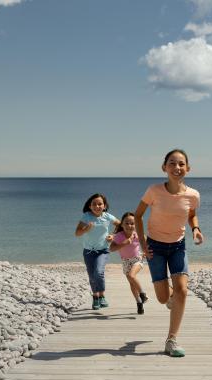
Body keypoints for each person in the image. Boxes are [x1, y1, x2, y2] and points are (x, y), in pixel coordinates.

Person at [134, 149, 204, 357]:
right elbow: (138, 216)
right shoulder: (154, 191)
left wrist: (196, 229)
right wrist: (143, 244)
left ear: (188, 169)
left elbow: (191, 214)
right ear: (164, 167)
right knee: (164, 298)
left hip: (178, 246)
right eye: (172, 163)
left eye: (181, 164)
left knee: (182, 290)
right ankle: (172, 300)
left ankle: (171, 340)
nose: (177, 167)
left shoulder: (193, 195)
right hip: (155, 247)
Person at [75, 193, 120, 310]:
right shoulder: (86, 216)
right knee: (92, 275)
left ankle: (102, 295)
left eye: (100, 204)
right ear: (90, 206)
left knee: (99, 272)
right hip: (88, 252)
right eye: (94, 204)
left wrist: (113, 236)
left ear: (104, 206)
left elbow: (120, 225)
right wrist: (86, 229)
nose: (97, 206)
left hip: (103, 251)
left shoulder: (107, 216)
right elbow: (77, 233)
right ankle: (95, 297)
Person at [109, 212, 149, 315]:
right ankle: (139, 302)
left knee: (132, 275)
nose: (129, 225)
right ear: (122, 224)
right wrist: (124, 243)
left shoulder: (138, 235)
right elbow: (111, 248)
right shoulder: (119, 236)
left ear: (136, 225)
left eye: (132, 223)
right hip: (125, 261)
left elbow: (147, 243)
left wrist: (146, 252)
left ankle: (142, 294)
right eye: (127, 223)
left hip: (137, 259)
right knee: (131, 283)